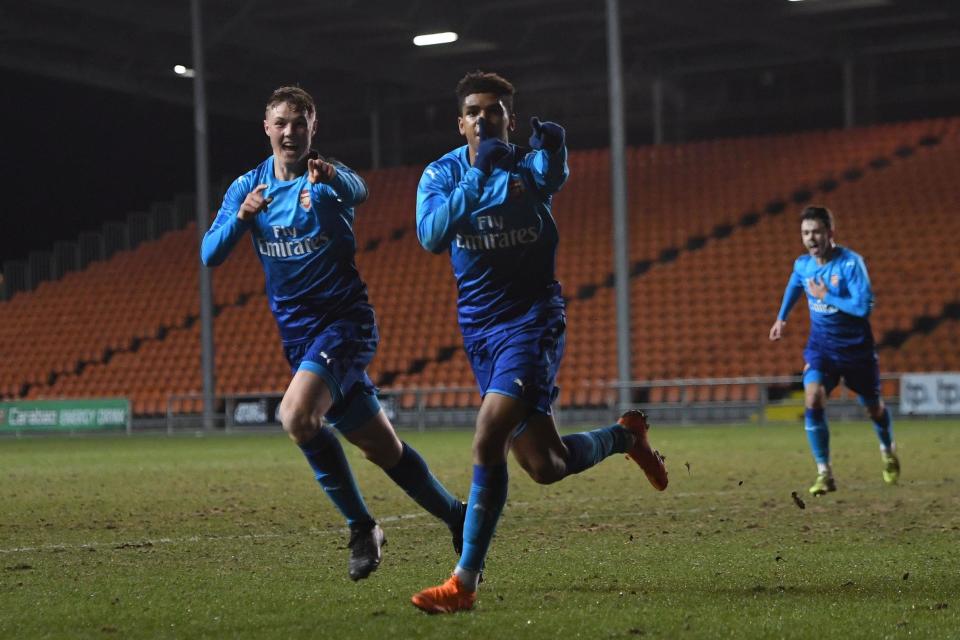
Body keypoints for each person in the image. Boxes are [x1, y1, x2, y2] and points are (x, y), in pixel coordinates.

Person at [409, 71, 669, 614]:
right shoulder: (440, 175)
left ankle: (464, 582)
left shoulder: (526, 169)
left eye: (495, 111)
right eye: (474, 111)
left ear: (508, 119)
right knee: (546, 465)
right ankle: (625, 437)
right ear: (461, 124)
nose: (484, 119)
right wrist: (476, 178)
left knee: (487, 438)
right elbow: (432, 236)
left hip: (532, 323)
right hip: (479, 329)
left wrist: (556, 146)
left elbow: (552, 174)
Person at [201, 86, 465, 581]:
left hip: (346, 326)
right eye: (280, 123)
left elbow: (358, 191)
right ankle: (459, 516)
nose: (289, 132)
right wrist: (241, 219)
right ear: (266, 128)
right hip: (300, 340)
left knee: (296, 415)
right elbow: (210, 254)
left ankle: (361, 527)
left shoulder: (326, 179)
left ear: (312, 127)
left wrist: (327, 187)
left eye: (298, 123)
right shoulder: (247, 189)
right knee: (384, 450)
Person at [769, 205, 899, 496]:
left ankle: (888, 450)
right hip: (822, 349)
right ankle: (824, 472)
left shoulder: (851, 264)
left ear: (830, 233)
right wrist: (782, 317)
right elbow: (795, 282)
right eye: (805, 233)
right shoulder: (804, 264)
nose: (810, 238)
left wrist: (825, 295)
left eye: (816, 232)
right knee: (812, 398)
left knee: (873, 409)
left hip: (856, 351)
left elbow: (862, 308)